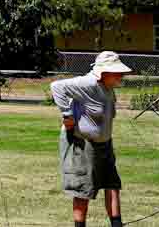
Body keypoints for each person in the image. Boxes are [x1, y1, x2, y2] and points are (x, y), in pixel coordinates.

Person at [50, 50, 132, 227]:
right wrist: (67, 115)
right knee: (82, 190)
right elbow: (57, 87)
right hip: (83, 145)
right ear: (103, 72)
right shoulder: (88, 83)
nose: (121, 76)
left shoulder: (109, 88)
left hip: (105, 145)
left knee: (112, 185)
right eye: (117, 72)